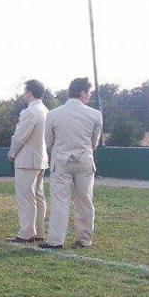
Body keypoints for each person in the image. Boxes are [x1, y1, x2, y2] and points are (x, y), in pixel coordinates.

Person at [41, 77, 103, 249]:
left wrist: (59, 151)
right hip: (85, 160)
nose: (89, 95)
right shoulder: (95, 115)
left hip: (61, 160)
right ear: (82, 92)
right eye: (88, 92)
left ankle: (55, 240)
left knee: (60, 200)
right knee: (85, 200)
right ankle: (85, 238)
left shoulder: (53, 114)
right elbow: (94, 142)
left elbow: (48, 140)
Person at [8, 79, 50, 242]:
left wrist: (12, 153)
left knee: (26, 196)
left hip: (27, 159)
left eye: (25, 91)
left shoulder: (30, 112)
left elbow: (20, 137)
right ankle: (38, 231)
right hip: (40, 158)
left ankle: (26, 232)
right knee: (38, 196)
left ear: (30, 93)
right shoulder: (46, 110)